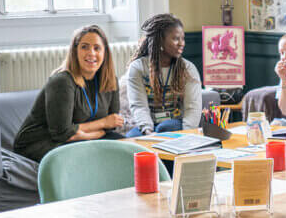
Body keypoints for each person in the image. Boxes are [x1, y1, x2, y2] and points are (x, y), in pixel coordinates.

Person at [13, 25, 125, 162]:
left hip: (76, 138)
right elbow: (62, 133)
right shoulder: (62, 81)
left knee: (126, 147)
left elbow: (112, 124)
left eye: (97, 48)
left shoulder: (110, 80)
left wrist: (82, 133)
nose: (91, 53)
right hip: (39, 142)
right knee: (85, 157)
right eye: (84, 47)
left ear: (105, 53)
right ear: (75, 51)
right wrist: (101, 125)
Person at [125, 13, 203, 137]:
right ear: (160, 41)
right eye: (176, 38)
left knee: (164, 127)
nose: (181, 43)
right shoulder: (138, 68)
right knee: (130, 139)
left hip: (179, 125)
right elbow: (139, 106)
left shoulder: (188, 69)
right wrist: (148, 132)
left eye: (183, 38)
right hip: (148, 126)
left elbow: (193, 108)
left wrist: (187, 135)